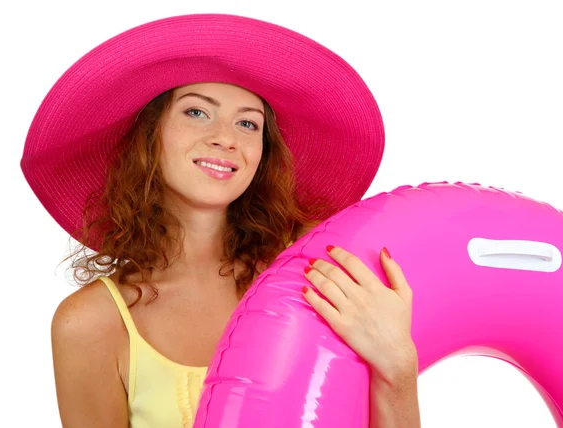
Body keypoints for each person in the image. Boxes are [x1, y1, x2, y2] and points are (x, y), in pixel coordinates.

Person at [21, 14, 420, 428]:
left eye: (248, 123)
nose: (226, 138)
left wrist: (399, 367)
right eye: (196, 112)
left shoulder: (317, 283)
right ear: (148, 135)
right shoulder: (91, 323)